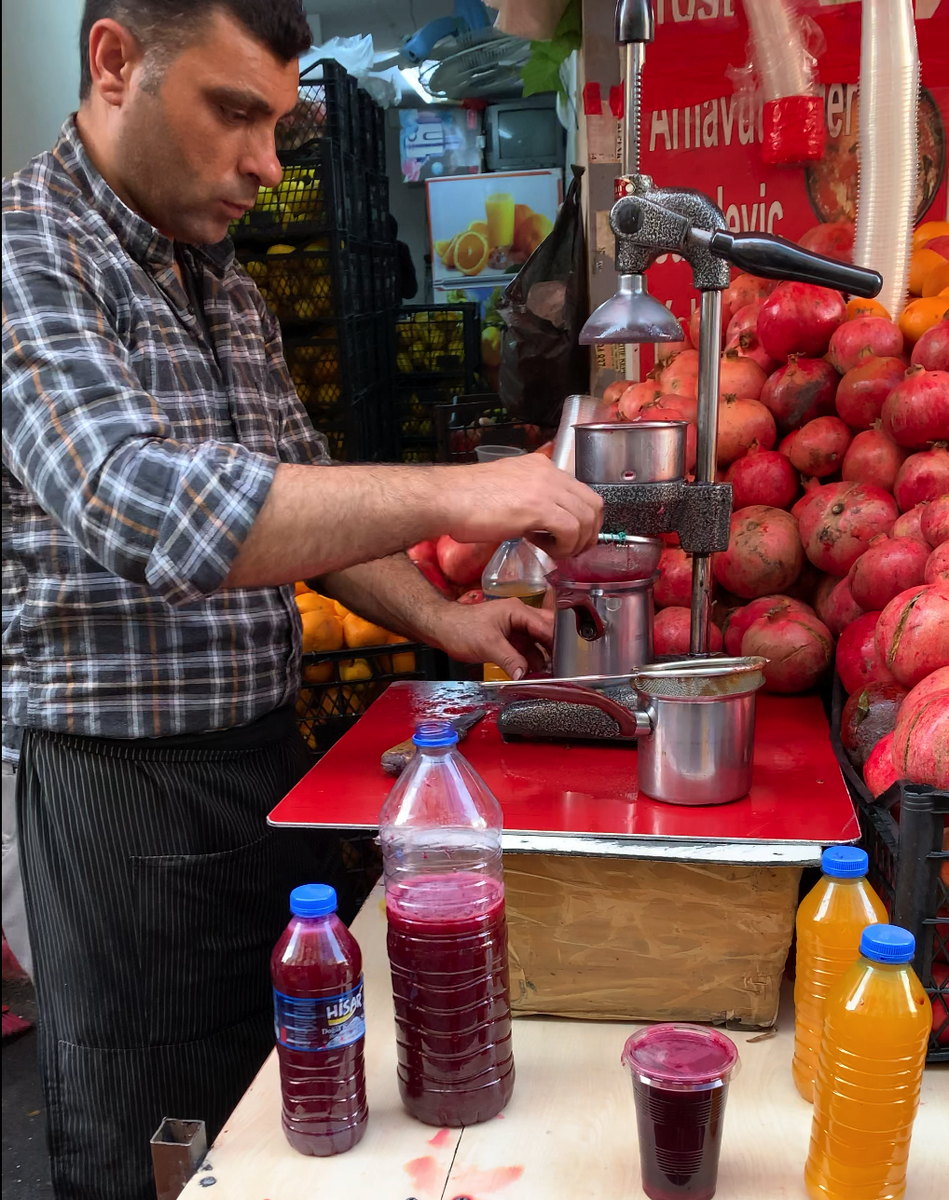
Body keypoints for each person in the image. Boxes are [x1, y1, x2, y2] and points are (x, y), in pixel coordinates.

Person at [1, 2, 602, 1196]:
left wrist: (444, 620)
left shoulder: (222, 286)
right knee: (148, 1138)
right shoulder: (29, 256)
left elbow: (306, 509)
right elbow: (144, 505)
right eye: (234, 113)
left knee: (280, 1110)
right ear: (115, 61)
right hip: (118, 792)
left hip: (259, 761)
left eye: (278, 124)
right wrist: (457, 496)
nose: (266, 165)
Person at [387, 212, 419, 300]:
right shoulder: (400, 249)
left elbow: (410, 291)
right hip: (393, 307)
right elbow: (410, 291)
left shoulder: (400, 249)